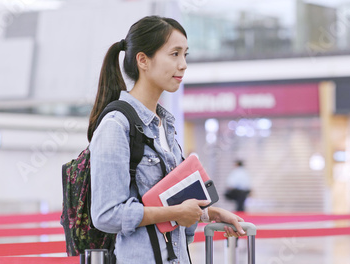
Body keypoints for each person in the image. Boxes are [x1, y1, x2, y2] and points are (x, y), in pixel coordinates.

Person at [88, 16, 246, 264]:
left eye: (185, 55)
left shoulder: (165, 126)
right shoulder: (116, 126)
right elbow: (106, 215)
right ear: (143, 60)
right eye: (174, 54)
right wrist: (176, 212)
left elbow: (170, 208)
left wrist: (208, 214)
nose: (183, 65)